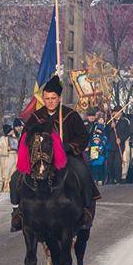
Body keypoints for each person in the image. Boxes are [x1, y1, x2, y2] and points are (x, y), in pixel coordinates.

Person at [9, 75, 100, 232]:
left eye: (53, 98)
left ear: (59, 98)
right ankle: (20, 211)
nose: (50, 101)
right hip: (40, 158)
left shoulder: (70, 115)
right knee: (17, 177)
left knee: (82, 172)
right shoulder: (36, 117)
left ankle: (86, 209)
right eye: (47, 98)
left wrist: (68, 147)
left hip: (67, 157)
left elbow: (83, 137)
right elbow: (25, 138)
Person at [105, 108, 131, 184]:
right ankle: (111, 178)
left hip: (120, 145)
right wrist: (111, 127)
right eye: (115, 112)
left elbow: (127, 133)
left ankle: (118, 179)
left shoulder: (125, 121)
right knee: (110, 162)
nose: (116, 113)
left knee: (117, 162)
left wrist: (121, 139)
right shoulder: (109, 121)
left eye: (118, 112)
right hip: (111, 144)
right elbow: (106, 132)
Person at [0, 123, 17, 192]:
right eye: (11, 130)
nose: (13, 131)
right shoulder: (2, 139)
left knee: (13, 172)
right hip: (7, 158)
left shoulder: (15, 138)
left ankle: (11, 187)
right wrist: (6, 149)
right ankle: (5, 187)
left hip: (15, 156)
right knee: (6, 172)